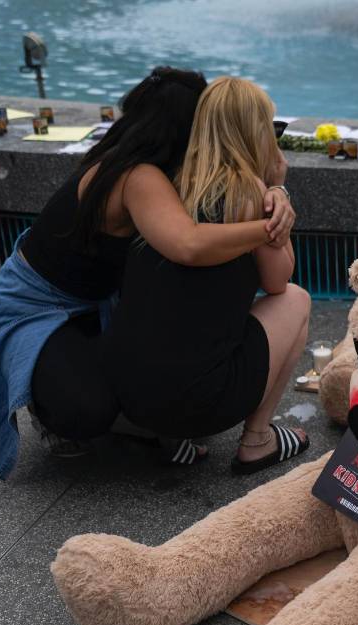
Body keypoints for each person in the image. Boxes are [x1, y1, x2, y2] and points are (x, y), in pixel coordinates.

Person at [0, 67, 295, 480]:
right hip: (37, 306)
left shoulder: (147, 165)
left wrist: (273, 192)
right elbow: (189, 244)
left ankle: (142, 424)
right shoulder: (138, 176)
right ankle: (48, 405)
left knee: (128, 376)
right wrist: (271, 224)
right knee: (86, 406)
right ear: (181, 127)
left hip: (92, 302)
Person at [102, 77, 311, 475]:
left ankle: (169, 438)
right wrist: (277, 186)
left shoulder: (166, 182)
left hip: (128, 392)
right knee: (296, 301)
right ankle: (258, 440)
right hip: (196, 403)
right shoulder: (247, 191)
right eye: (272, 127)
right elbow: (277, 281)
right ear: (256, 133)